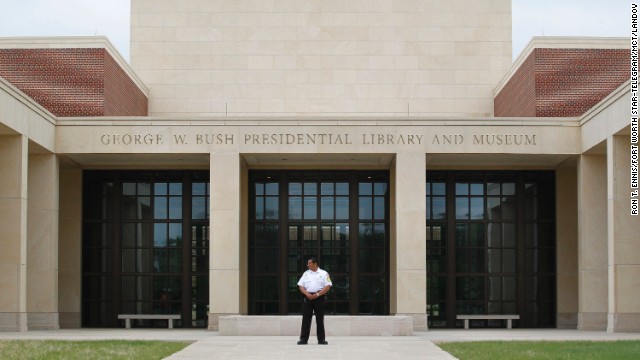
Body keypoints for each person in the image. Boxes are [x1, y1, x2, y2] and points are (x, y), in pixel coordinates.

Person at [297, 257, 332, 345]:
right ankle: (303, 339)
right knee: (306, 319)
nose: (307, 265)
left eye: (309, 263)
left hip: (319, 298)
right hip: (308, 297)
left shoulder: (324, 273)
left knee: (320, 319)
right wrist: (307, 294)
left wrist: (317, 295)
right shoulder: (306, 274)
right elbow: (301, 286)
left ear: (315, 264)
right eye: (308, 263)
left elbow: (327, 286)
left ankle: (321, 339)